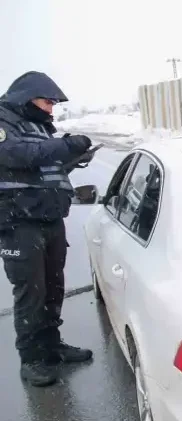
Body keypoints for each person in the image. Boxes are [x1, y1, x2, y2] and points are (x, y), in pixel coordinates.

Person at [0, 71, 95, 387]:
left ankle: (52, 346)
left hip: (50, 220)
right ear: (26, 97)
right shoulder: (4, 122)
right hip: (19, 223)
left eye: (54, 104)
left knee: (54, 288)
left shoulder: (39, 127)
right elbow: (17, 155)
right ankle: (31, 359)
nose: (51, 109)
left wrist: (72, 157)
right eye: (47, 102)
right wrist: (65, 146)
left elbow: (44, 165)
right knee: (31, 293)